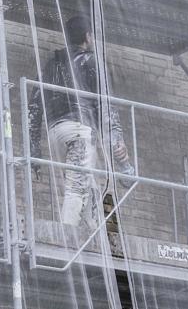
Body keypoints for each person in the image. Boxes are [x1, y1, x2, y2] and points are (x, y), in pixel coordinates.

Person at [27, 15, 135, 227]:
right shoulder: (91, 61)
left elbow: (34, 108)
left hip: (55, 133)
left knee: (88, 184)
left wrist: (34, 150)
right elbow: (106, 108)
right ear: (88, 36)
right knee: (76, 187)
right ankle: (67, 234)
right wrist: (122, 158)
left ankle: (97, 230)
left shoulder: (50, 66)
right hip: (79, 131)